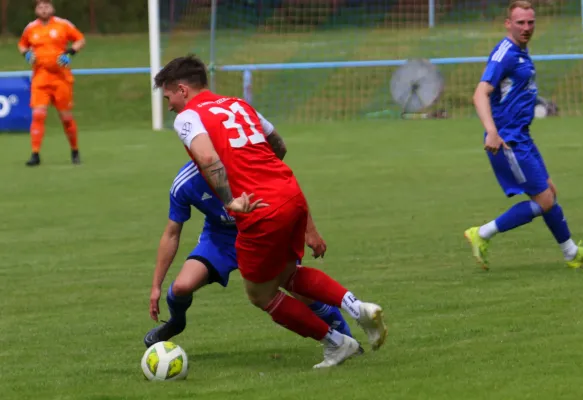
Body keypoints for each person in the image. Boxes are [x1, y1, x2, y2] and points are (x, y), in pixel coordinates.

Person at [153, 55, 388, 368]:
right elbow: (278, 143)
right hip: (290, 192)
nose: (169, 105)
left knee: (260, 294)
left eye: (168, 96)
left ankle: (335, 342)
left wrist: (229, 198)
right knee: (289, 275)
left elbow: (208, 158)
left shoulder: (187, 117)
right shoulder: (239, 104)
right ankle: (357, 307)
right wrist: (255, 167)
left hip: (260, 209)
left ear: (182, 90)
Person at [143, 160, 359, 352]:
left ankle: (344, 337)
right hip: (220, 239)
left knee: (300, 291)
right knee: (181, 287)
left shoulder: (246, 166)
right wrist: (155, 286)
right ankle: (176, 323)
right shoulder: (185, 182)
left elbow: (290, 188)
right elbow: (172, 233)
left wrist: (309, 230)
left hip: (261, 233)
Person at [465, 0, 582, 270]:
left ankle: (571, 253)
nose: (526, 27)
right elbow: (480, 93)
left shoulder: (521, 52)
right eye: (520, 22)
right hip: (508, 140)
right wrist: (492, 132)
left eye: (530, 22)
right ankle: (481, 234)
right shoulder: (504, 54)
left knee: (549, 192)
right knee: (544, 200)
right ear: (508, 24)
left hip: (523, 137)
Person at [17, 0, 85, 166]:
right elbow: (22, 44)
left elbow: (80, 40)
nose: (44, 9)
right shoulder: (31, 28)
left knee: (66, 118)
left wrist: (70, 53)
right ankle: (35, 154)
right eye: (40, 7)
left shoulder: (63, 25)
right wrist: (26, 54)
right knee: (38, 114)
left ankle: (75, 151)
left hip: (61, 78)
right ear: (36, 10)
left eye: (47, 6)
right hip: (40, 77)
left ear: (52, 8)